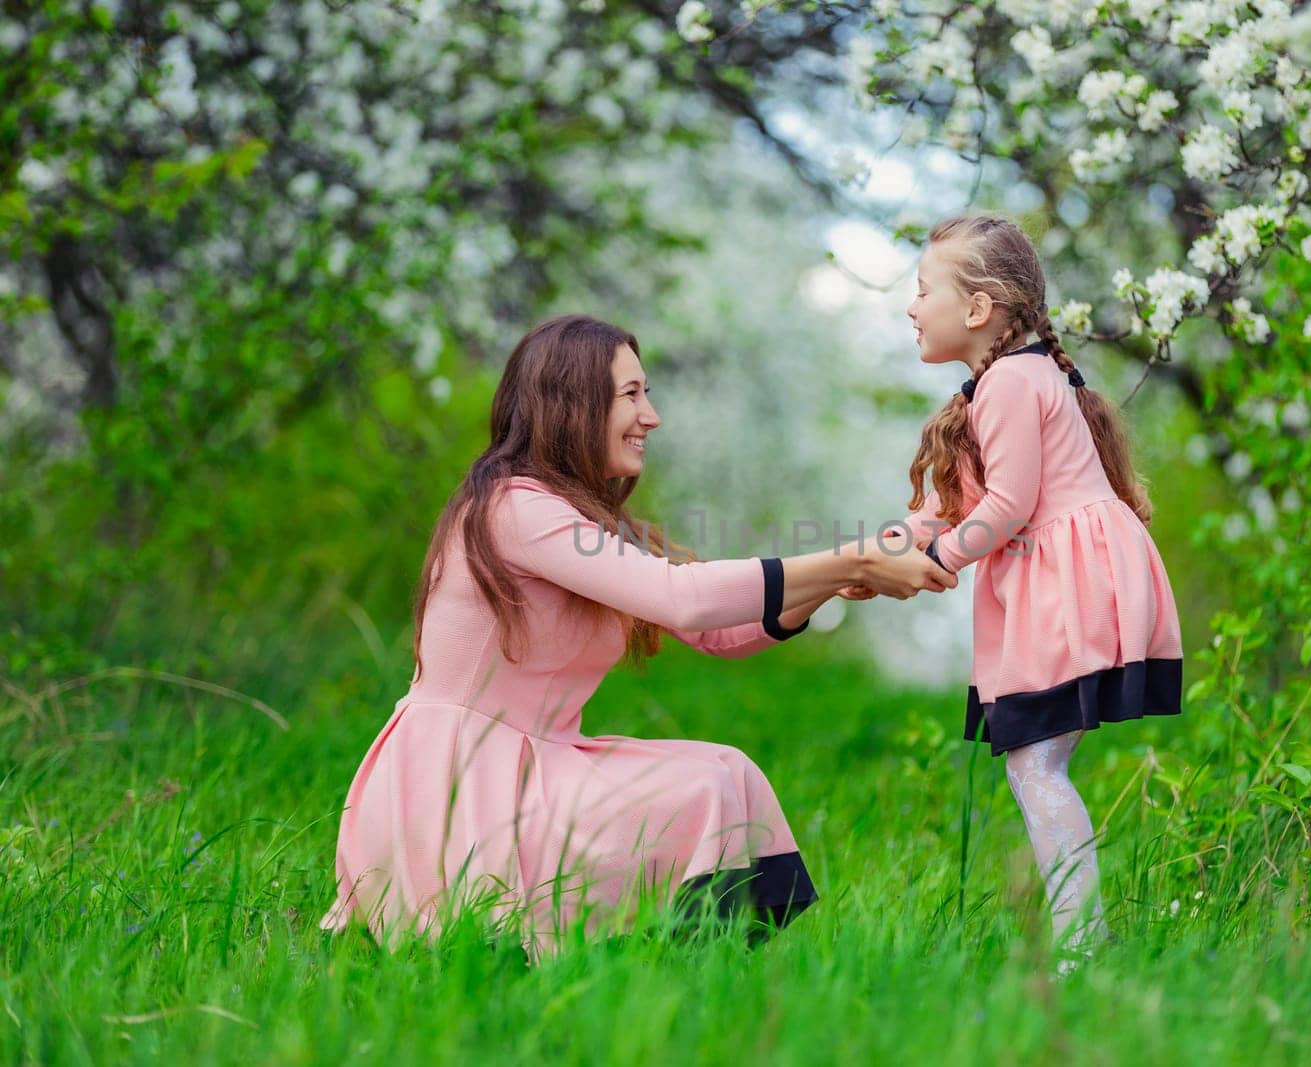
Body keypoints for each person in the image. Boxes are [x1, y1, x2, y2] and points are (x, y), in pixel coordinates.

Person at [319, 314, 954, 957]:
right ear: (571, 403)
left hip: (531, 769)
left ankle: (688, 975)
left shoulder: (579, 519)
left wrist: (842, 574)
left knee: (725, 773)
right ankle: (665, 968)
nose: (651, 416)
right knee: (708, 785)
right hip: (458, 785)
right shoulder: (513, 509)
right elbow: (683, 601)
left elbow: (718, 635)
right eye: (632, 395)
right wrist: (852, 561)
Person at [886, 215, 1183, 963]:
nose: (912, 307)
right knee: (1036, 763)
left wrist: (944, 559)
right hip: (1070, 581)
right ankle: (1085, 937)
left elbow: (1010, 505)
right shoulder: (1014, 378)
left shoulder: (1011, 381)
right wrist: (910, 536)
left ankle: (1084, 944)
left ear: (979, 309)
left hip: (1069, 590)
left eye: (925, 291)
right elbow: (979, 495)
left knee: (1035, 764)